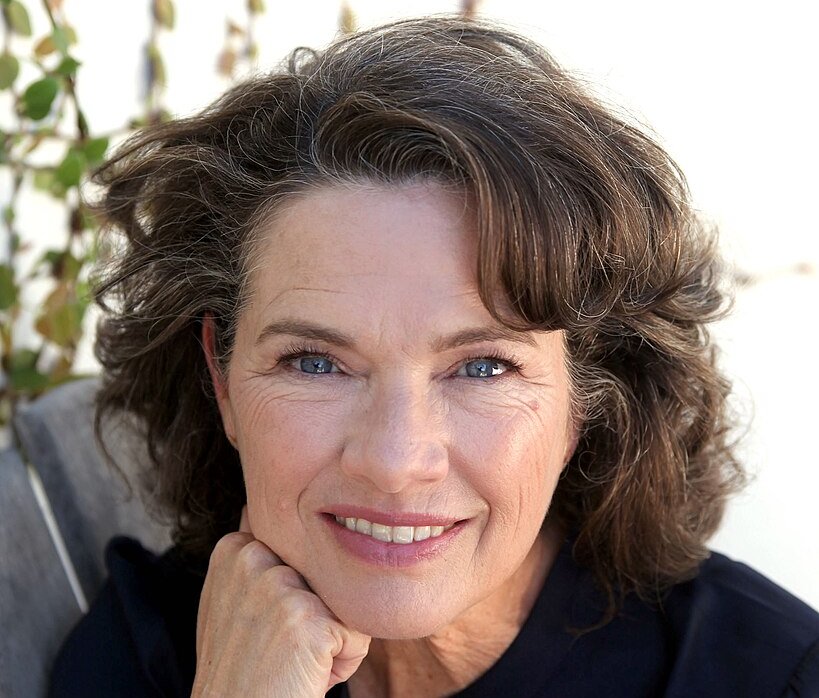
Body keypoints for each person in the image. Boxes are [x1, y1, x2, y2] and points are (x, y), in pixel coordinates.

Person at [49, 15, 818, 698]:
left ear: (588, 399)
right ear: (220, 377)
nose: (393, 461)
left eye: (483, 367)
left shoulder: (766, 675)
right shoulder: (147, 653)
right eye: (315, 361)